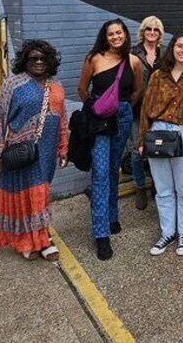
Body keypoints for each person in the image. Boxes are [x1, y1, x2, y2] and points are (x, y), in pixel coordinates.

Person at [0, 40, 68, 261]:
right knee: (27, 197)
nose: (39, 62)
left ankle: (39, 237)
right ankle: (32, 240)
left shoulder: (56, 85)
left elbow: (62, 119)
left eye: (43, 58)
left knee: (40, 195)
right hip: (22, 151)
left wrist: (63, 147)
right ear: (25, 61)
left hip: (47, 152)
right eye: (33, 58)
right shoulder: (13, 84)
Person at [77, 19, 144, 260]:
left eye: (119, 32)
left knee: (114, 167)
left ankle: (112, 216)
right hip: (99, 120)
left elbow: (137, 91)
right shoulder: (94, 59)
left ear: (125, 34)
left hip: (122, 117)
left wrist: (122, 108)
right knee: (101, 171)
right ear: (105, 37)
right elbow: (82, 88)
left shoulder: (133, 61)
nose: (116, 37)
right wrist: (95, 108)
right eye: (111, 34)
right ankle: (101, 234)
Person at [137, 33, 183, 257]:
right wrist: (142, 139)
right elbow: (146, 107)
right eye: (179, 45)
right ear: (172, 47)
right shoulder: (158, 75)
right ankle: (168, 232)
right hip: (159, 132)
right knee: (163, 187)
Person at [129, 16, 164, 210]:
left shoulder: (164, 53)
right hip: (138, 109)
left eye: (156, 30)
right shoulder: (133, 53)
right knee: (137, 151)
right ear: (143, 31)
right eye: (149, 29)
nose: (152, 32)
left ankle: (157, 184)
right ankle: (140, 186)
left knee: (158, 149)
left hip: (159, 110)